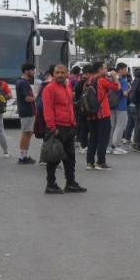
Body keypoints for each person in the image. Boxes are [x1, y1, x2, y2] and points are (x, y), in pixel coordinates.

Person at [41, 64, 84, 194]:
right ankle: (51, 184)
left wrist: (73, 123)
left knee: (70, 157)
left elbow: (69, 106)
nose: (60, 75)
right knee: (54, 157)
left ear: (67, 74)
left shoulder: (67, 87)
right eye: (57, 72)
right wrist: (52, 128)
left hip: (69, 126)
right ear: (53, 74)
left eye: (62, 72)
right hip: (57, 128)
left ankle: (70, 183)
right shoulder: (49, 89)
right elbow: (47, 110)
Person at [109, 63, 130, 155]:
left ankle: (109, 146)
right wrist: (129, 89)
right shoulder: (123, 80)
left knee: (112, 126)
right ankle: (116, 146)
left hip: (112, 105)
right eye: (126, 69)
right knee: (120, 126)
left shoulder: (111, 79)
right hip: (121, 106)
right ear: (121, 70)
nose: (126, 71)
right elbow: (125, 93)